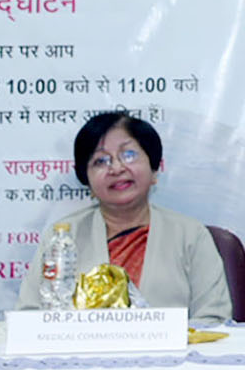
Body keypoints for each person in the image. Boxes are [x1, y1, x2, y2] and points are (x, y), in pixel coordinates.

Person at [16, 113, 231, 327]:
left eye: (128, 155)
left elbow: (214, 320)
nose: (117, 168)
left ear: (154, 168)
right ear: (87, 180)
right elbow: (30, 317)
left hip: (175, 350)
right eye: (101, 161)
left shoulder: (190, 235)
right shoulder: (62, 236)